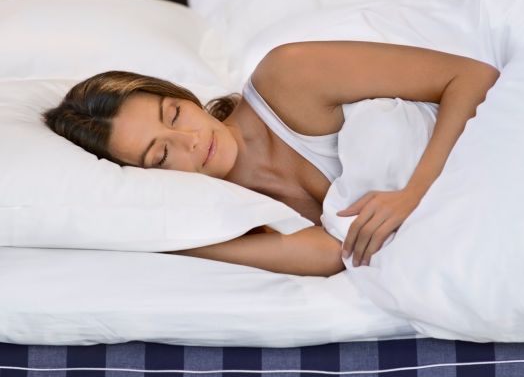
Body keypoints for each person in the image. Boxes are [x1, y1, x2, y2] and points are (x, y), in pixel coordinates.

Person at [42, 41, 500, 277]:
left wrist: (415, 192)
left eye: (174, 114)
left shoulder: (288, 74)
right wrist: (169, 239)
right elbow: (331, 255)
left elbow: (470, 75)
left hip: (491, 149)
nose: (190, 141)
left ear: (179, 94)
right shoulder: (226, 210)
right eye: (162, 154)